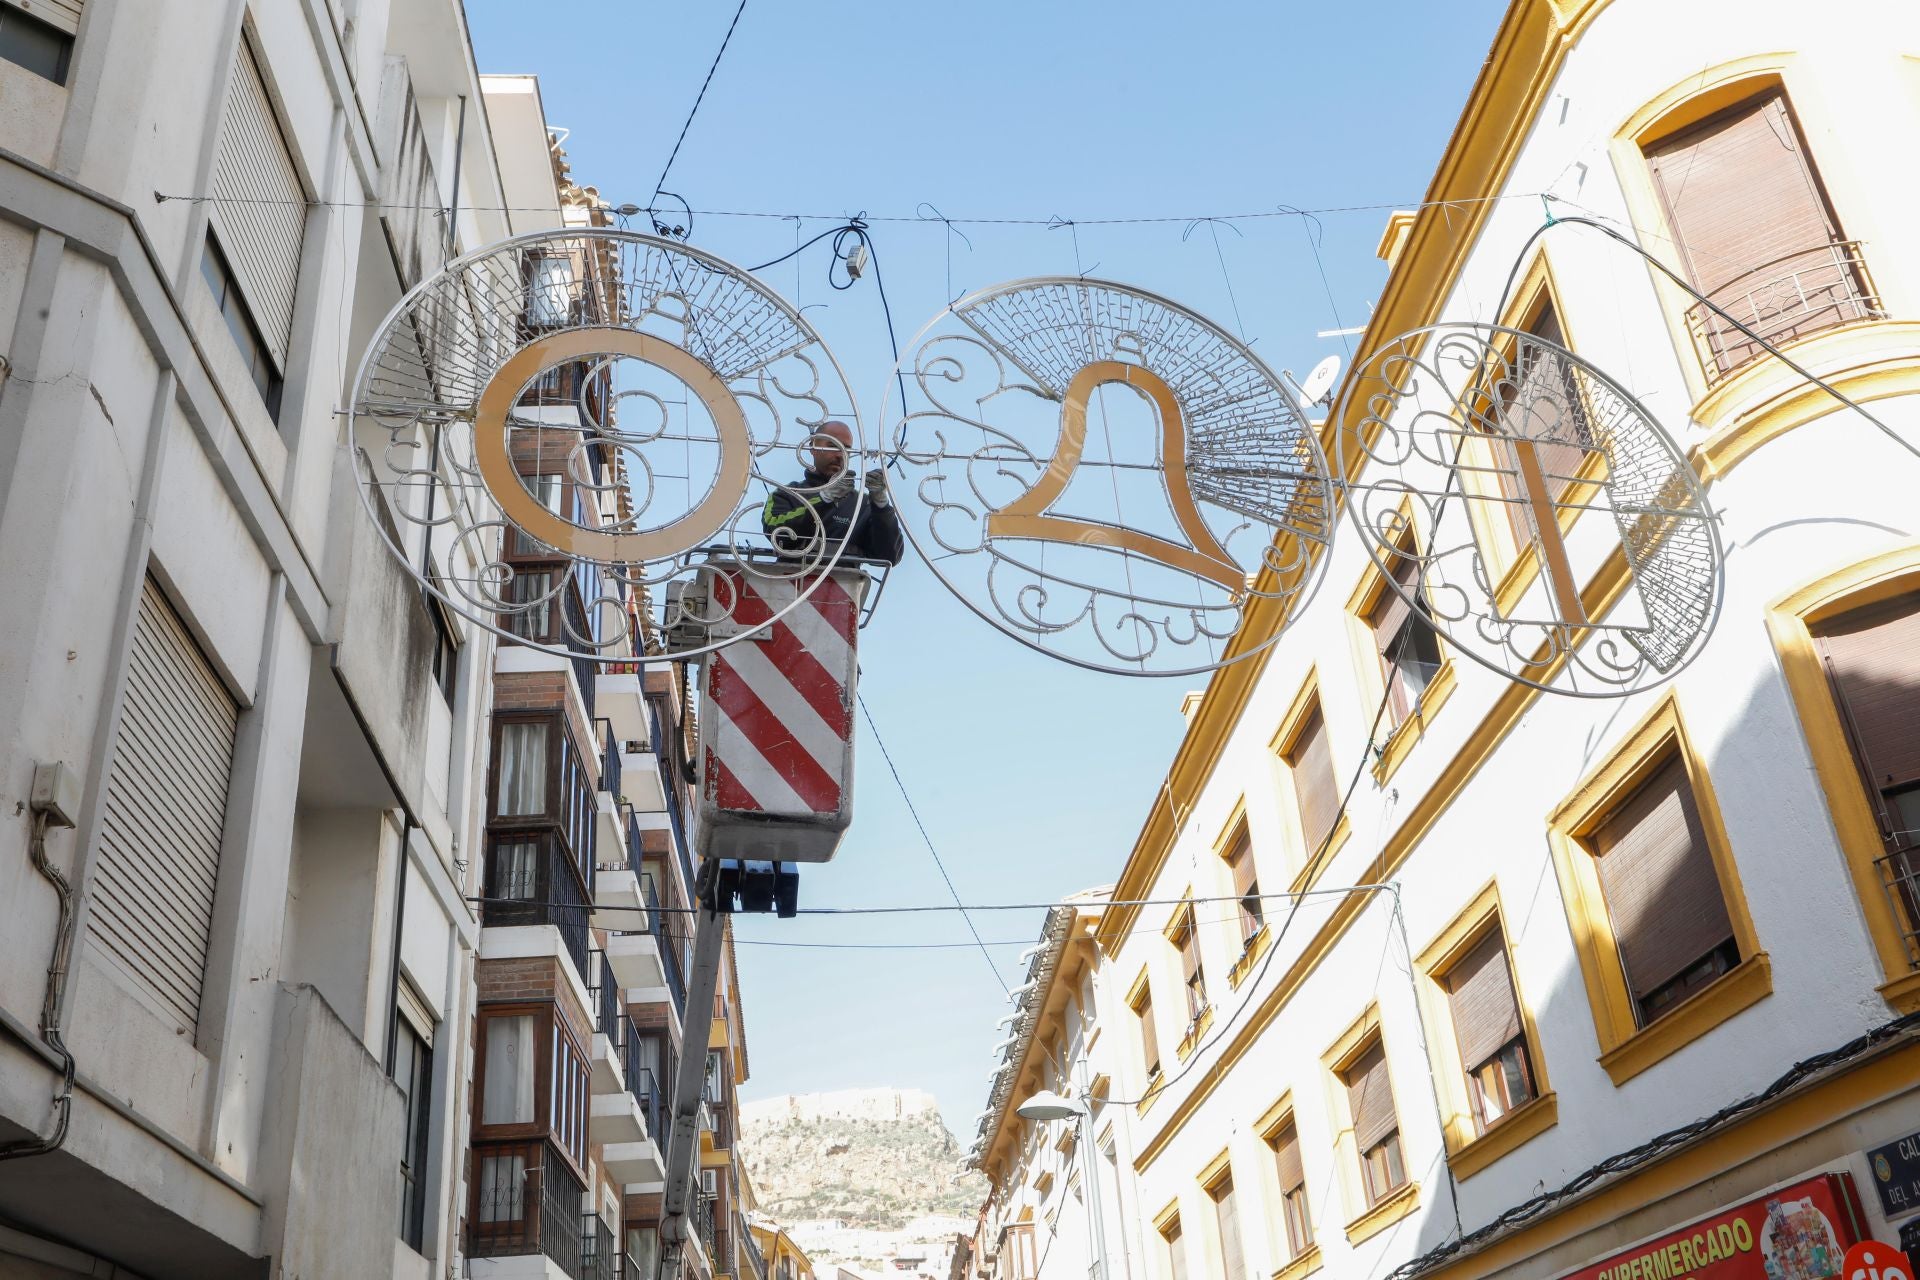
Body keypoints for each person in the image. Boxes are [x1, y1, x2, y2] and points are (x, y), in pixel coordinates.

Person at [760, 420, 905, 565]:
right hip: (793, 583)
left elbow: (889, 556)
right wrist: (824, 499)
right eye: (832, 446)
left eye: (846, 450)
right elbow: (777, 534)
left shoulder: (862, 505)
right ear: (813, 447)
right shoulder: (787, 494)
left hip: (843, 585)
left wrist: (881, 505)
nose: (840, 455)